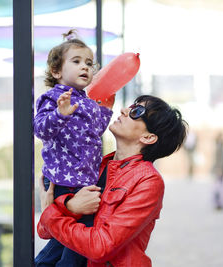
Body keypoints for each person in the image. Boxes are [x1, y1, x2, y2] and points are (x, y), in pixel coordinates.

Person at [37, 95, 188, 267]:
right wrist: (69, 207)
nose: (124, 111)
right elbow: (45, 231)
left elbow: (100, 247)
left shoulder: (148, 181)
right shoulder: (95, 167)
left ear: (148, 137)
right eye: (130, 107)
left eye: (136, 112)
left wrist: (50, 212)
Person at [34, 30, 114, 266]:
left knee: (67, 238)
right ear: (56, 71)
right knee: (80, 239)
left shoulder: (88, 102)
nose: (85, 68)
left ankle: (43, 264)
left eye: (89, 63)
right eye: (77, 61)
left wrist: (106, 110)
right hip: (62, 180)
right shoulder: (53, 98)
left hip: (83, 180)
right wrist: (60, 114)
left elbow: (95, 131)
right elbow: (41, 130)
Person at [211, 132, 223, 210]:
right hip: (219, 170)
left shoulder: (220, 147)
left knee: (220, 187)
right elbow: (218, 160)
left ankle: (219, 203)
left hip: (219, 170)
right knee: (219, 188)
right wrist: (220, 170)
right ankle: (218, 204)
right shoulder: (219, 147)